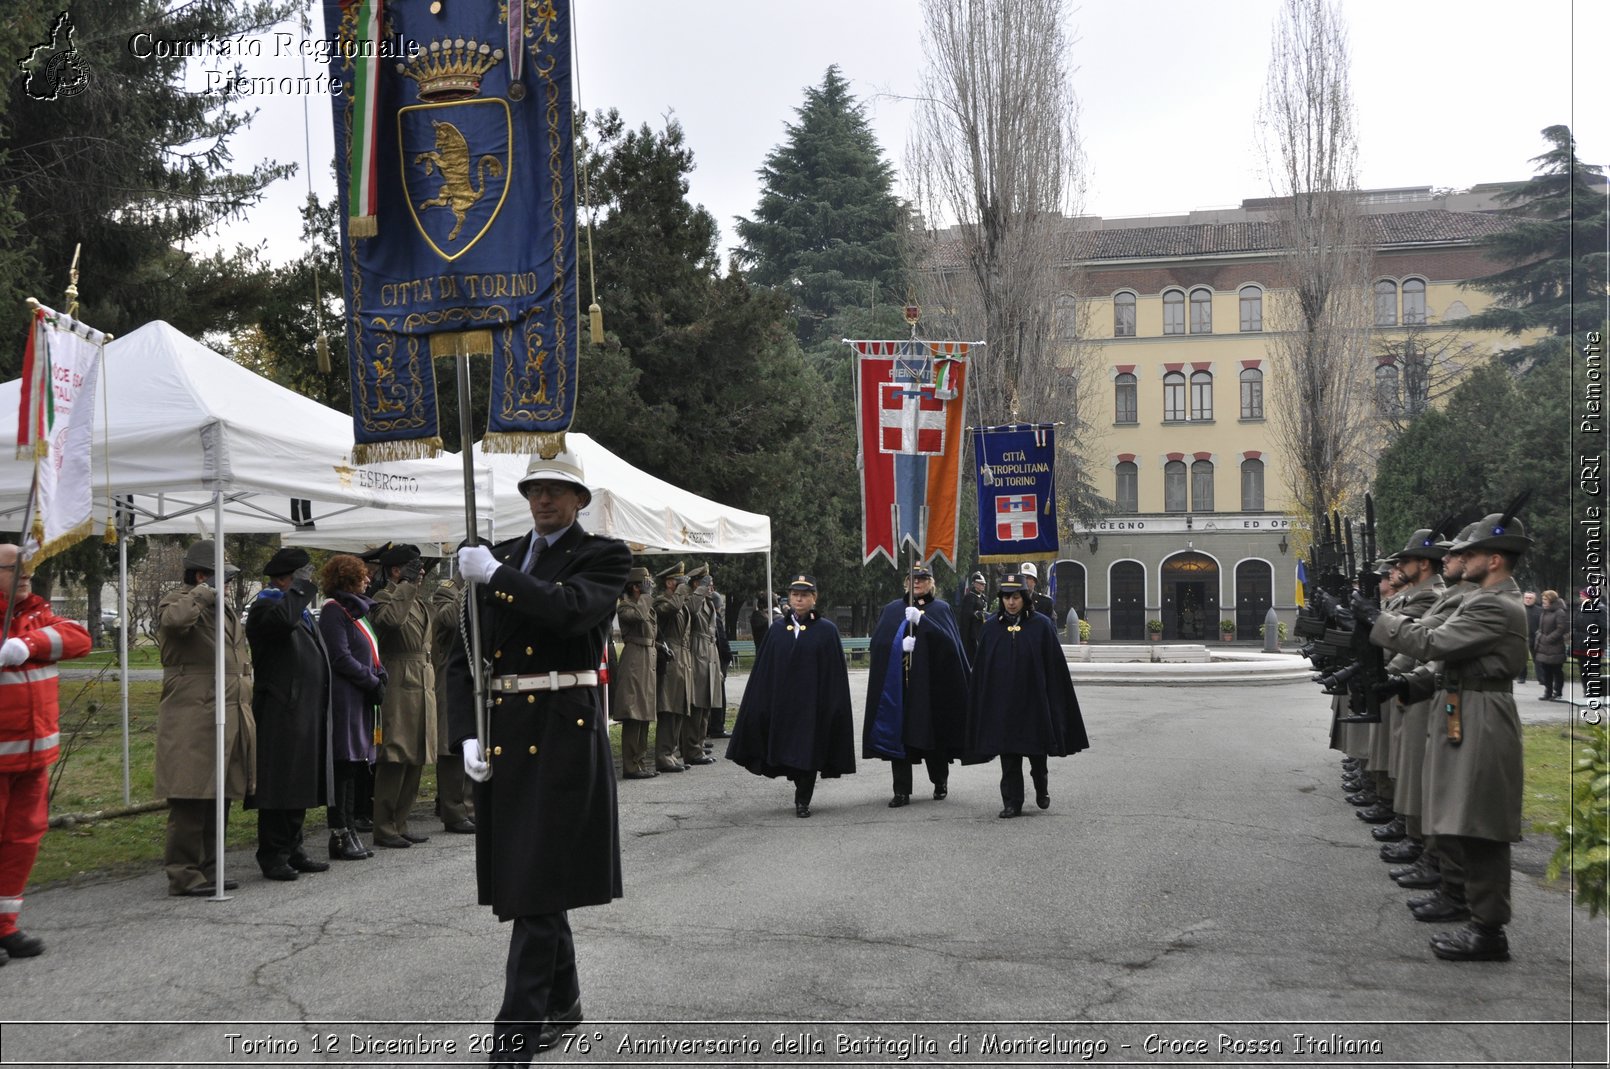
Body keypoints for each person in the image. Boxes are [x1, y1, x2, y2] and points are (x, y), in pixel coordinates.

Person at [451, 447, 632, 1064]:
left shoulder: (603, 555)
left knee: (533, 886)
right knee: (535, 880)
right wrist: (465, 734)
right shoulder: (497, 557)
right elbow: (464, 654)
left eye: (557, 490)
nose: (545, 500)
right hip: (504, 731)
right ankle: (566, 1001)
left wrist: (496, 579)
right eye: (535, 489)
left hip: (561, 730)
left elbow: (569, 612)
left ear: (580, 500)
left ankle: (514, 1041)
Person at [1364, 511, 1532, 962]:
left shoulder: (1493, 603)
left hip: (1482, 713)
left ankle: (1488, 929)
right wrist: (1406, 685)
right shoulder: (1483, 599)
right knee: (1459, 814)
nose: (1459, 558)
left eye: (1471, 552)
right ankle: (1463, 902)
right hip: (1463, 705)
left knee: (1480, 824)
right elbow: (1448, 664)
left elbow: (1434, 645)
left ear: (1495, 559)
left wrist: (1373, 621)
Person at [0, 542, 91, 961]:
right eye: (14, 568)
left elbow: (78, 637)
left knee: (22, 840)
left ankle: (5, 925)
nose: (24, 575)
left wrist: (29, 645)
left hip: (34, 756)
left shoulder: (36, 613)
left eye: (28, 570)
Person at [155, 539, 255, 897]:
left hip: (226, 710)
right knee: (191, 793)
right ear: (201, 575)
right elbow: (174, 621)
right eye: (221, 576)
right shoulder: (179, 600)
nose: (226, 583)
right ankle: (183, 873)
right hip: (193, 712)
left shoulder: (221, 608)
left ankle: (212, 867)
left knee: (219, 794)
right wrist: (203, 592)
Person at [726, 574, 855, 817]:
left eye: (804, 595)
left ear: (814, 598)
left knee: (808, 751)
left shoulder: (827, 631)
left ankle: (802, 800)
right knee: (788, 751)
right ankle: (798, 783)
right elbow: (765, 669)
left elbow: (834, 674)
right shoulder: (776, 629)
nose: (799, 599)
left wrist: (832, 705)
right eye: (795, 595)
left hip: (812, 706)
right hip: (783, 705)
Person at [965, 573, 1089, 817]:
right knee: (1008, 754)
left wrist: (1052, 699)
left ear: (1025, 598)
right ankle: (1012, 802)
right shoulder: (991, 628)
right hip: (1004, 704)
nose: (1011, 602)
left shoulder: (1041, 625)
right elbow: (983, 668)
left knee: (1036, 754)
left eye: (1016, 597)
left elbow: (1054, 667)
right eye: (1006, 597)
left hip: (1034, 703)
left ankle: (1041, 788)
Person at [244, 547, 331, 882]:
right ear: (286, 577)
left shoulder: (297, 608)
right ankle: (273, 853)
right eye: (302, 575)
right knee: (279, 783)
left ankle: (293, 846)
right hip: (281, 707)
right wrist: (298, 590)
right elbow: (283, 622)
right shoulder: (267, 604)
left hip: (303, 708)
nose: (309, 583)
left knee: (299, 781)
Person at [863, 563, 970, 808]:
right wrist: (898, 646)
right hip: (900, 687)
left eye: (922, 578)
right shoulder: (892, 610)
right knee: (899, 739)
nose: (917, 583)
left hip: (931, 688)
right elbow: (878, 645)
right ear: (905, 582)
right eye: (912, 578)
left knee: (932, 737)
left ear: (931, 582)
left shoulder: (941, 609)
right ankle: (901, 790)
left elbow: (950, 646)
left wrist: (923, 623)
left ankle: (939, 781)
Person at [316, 554, 386, 861]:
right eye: (362, 576)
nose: (368, 580)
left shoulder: (356, 610)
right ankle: (340, 833)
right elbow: (340, 657)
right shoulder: (334, 611)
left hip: (360, 695)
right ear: (347, 580)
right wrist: (371, 680)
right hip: (345, 697)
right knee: (343, 765)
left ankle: (351, 829)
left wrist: (380, 672)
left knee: (355, 765)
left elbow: (368, 649)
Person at [368, 543, 437, 849]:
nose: (420, 572)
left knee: (416, 755)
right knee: (394, 756)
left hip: (422, 680)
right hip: (399, 681)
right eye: (412, 567)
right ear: (395, 571)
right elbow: (391, 622)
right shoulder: (383, 597)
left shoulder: (418, 602)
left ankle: (401, 821)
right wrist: (405, 586)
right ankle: (384, 826)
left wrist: (411, 587)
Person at [430, 575, 475, 834]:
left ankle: (470, 807)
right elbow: (448, 620)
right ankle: (453, 810)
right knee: (451, 747)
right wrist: (467, 587)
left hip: (474, 674)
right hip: (450, 673)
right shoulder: (447, 591)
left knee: (474, 740)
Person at [613, 567, 659, 779]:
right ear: (634, 587)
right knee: (634, 714)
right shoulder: (626, 607)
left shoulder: (645, 604)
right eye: (645, 584)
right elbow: (638, 617)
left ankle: (639, 762)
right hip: (634, 660)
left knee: (645, 713)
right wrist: (646, 597)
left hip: (647, 659)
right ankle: (631, 766)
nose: (649, 587)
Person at [652, 562, 698, 773]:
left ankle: (671, 752)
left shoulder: (682, 601)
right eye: (679, 582)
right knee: (669, 708)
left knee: (680, 707)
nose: (683, 586)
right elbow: (671, 609)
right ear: (670, 583)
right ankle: (663, 755)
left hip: (683, 657)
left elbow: (691, 610)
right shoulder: (662, 601)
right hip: (671, 658)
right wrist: (681, 591)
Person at [686, 564, 725, 745]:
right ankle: (692, 744)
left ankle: (699, 742)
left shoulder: (708, 602)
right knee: (698, 701)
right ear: (696, 584)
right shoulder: (692, 600)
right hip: (698, 650)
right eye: (706, 583)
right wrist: (701, 588)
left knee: (708, 700)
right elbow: (691, 610)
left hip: (710, 651)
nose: (710, 587)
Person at [1533, 590, 1567, 701]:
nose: (1543, 602)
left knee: (1556, 670)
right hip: (1543, 646)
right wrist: (1539, 635)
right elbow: (1541, 627)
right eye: (1543, 599)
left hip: (1555, 646)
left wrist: (1549, 638)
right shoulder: (1545, 611)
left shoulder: (1559, 612)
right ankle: (1548, 692)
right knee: (1546, 670)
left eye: (1545, 599)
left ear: (1551, 600)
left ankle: (1558, 692)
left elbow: (1561, 628)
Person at [959, 572, 988, 653]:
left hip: (982, 628)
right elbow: (966, 614)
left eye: (984, 584)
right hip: (972, 631)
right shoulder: (969, 597)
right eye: (981, 584)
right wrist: (977, 614)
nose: (983, 585)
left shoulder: (983, 597)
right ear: (974, 584)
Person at [1518, 591, 1540, 683]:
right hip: (1522, 637)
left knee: (1538, 659)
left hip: (1535, 637)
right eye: (1526, 598)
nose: (1528, 600)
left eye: (1530, 598)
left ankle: (1541, 678)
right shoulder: (1519, 609)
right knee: (1521, 659)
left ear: (1534, 599)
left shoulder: (1540, 610)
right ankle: (1521, 677)